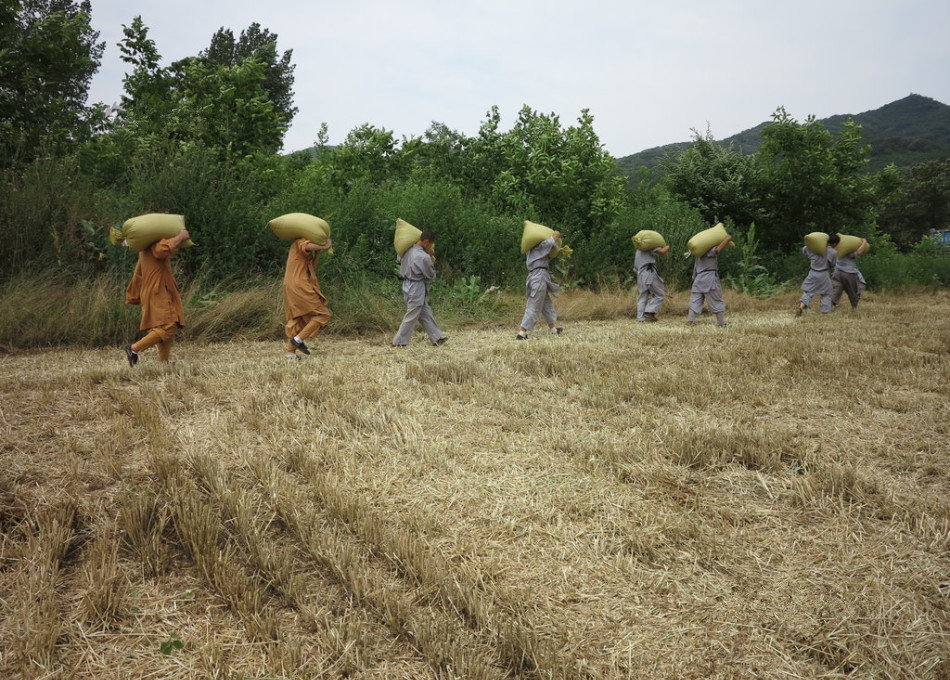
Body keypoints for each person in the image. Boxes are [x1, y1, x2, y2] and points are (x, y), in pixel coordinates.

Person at [123, 229, 190, 366]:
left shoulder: (144, 250)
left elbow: (138, 274)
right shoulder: (155, 244)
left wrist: (134, 295)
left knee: (162, 327)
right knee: (168, 327)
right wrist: (180, 237)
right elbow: (161, 250)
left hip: (152, 293)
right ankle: (134, 348)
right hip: (158, 292)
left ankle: (163, 363)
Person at [392, 231, 447, 347]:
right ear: (426, 242)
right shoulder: (424, 257)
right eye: (431, 244)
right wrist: (432, 260)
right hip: (417, 287)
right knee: (412, 315)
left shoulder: (405, 250)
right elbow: (430, 275)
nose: (431, 247)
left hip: (406, 284)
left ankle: (437, 337)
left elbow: (399, 259)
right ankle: (399, 342)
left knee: (424, 312)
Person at [284, 236, 333, 359]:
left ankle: (291, 353)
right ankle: (298, 340)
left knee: (298, 317)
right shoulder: (299, 242)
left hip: (292, 285)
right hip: (299, 285)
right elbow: (306, 245)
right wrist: (325, 246)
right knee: (323, 314)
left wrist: (318, 252)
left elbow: (312, 268)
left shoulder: (303, 254)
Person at [517, 232, 563, 340]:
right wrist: (556, 234)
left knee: (545, 303)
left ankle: (553, 330)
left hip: (538, 277)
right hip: (539, 278)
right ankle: (521, 333)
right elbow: (552, 239)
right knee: (534, 305)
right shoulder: (538, 247)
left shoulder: (532, 250)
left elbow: (547, 255)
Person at [687, 234, 732, 327]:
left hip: (698, 279)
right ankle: (721, 323)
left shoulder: (698, 253)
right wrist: (726, 239)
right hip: (709, 278)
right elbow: (717, 250)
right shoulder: (709, 250)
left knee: (695, 300)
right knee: (716, 300)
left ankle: (690, 321)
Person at [796, 234, 839, 316]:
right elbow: (834, 264)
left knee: (808, 291)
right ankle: (825, 312)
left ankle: (801, 306)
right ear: (834, 244)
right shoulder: (833, 252)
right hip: (824, 274)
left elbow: (804, 249)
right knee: (826, 293)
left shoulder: (813, 249)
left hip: (812, 273)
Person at [635, 243, 670, 322]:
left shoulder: (639, 249)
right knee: (660, 294)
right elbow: (662, 251)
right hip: (649, 273)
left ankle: (640, 318)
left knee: (643, 295)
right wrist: (667, 246)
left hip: (640, 274)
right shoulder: (649, 245)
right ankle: (649, 312)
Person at [831, 237, 869, 309]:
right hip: (849, 273)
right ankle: (854, 307)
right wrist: (864, 241)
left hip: (837, 272)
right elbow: (859, 252)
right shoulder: (847, 250)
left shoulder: (836, 249)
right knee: (853, 291)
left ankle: (828, 306)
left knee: (835, 290)